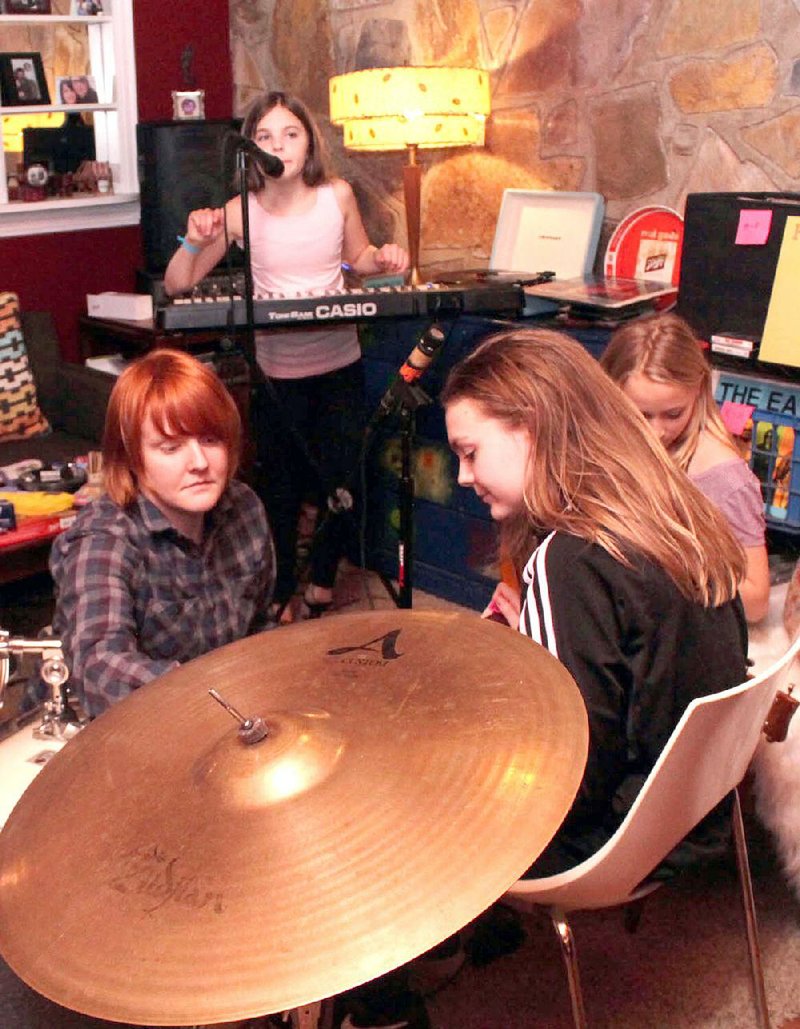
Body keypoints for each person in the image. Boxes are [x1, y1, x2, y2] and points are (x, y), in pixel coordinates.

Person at [442, 327, 749, 876]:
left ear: (533, 429)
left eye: (470, 453)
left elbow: (575, 768)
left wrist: (531, 666)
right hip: (696, 807)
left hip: (619, 834)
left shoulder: (571, 560)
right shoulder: (671, 506)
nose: (463, 477)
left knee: (415, 782)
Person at [164, 90, 408, 623]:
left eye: (290, 134)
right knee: (279, 488)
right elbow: (178, 284)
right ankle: (280, 591)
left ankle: (321, 584)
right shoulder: (239, 212)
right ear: (250, 149)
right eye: (266, 136)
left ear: (308, 142)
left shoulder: (336, 196)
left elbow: (359, 258)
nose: (279, 146)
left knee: (341, 481)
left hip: (340, 364)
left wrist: (383, 257)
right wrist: (191, 239)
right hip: (277, 375)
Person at [50, 348, 276, 719]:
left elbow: (259, 622)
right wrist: (207, 696)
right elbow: (98, 668)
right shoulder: (103, 539)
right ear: (131, 457)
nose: (200, 464)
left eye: (210, 440)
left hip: (221, 716)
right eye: (170, 447)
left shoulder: (245, 508)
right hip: (107, 732)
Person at [601, 311, 770, 623]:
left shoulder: (723, 478)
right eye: (640, 415)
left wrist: (675, 559)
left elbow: (757, 602)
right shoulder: (608, 451)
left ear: (699, 390)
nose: (656, 432)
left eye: (674, 414)